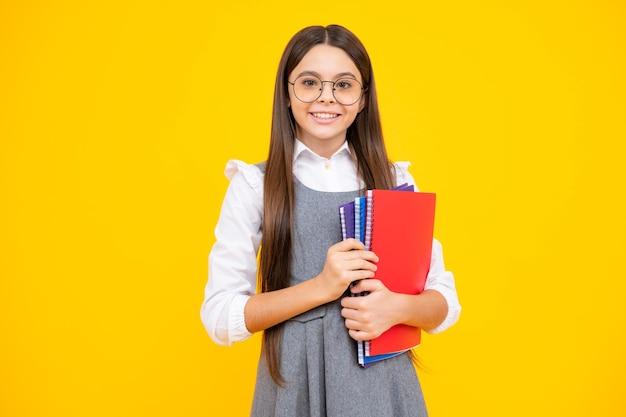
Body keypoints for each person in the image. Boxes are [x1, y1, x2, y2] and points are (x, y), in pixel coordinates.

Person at [201, 24, 461, 417]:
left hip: (383, 390)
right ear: (287, 94)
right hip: (293, 389)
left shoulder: (394, 180)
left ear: (362, 99)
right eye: (309, 82)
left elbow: (443, 304)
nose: (327, 98)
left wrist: (396, 309)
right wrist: (322, 287)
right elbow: (219, 316)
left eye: (343, 84)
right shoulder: (254, 185)